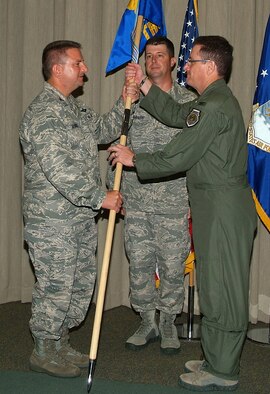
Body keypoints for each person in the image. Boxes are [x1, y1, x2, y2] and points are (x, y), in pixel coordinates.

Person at [108, 36, 257, 391]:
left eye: (191, 60)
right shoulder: (209, 101)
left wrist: (136, 160)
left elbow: (180, 154)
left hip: (222, 209)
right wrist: (144, 84)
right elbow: (177, 115)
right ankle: (217, 356)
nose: (185, 66)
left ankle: (223, 370)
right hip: (213, 207)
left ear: (209, 66)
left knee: (223, 290)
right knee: (213, 285)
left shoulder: (215, 105)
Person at [19, 40, 127, 378]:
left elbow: (107, 129)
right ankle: (43, 349)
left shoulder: (73, 109)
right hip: (52, 221)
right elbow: (60, 171)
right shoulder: (43, 114)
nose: (85, 70)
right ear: (57, 69)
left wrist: (127, 98)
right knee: (56, 286)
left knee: (80, 285)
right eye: (78, 64)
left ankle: (60, 343)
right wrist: (101, 197)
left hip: (78, 218)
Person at [107, 36, 196, 354]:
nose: (154, 60)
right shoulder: (133, 100)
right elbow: (114, 139)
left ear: (173, 61)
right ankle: (147, 320)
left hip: (173, 201)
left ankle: (169, 321)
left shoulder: (188, 102)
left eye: (161, 55)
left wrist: (192, 200)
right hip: (137, 199)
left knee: (173, 267)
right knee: (140, 263)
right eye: (149, 55)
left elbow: (194, 154)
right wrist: (114, 189)